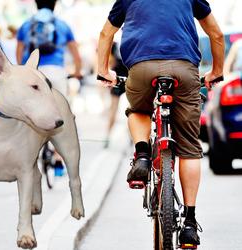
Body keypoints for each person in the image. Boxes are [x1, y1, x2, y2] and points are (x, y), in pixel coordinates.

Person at [97, 0, 224, 247]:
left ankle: (143, 154)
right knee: (189, 148)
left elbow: (106, 34)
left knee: (138, 109)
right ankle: (189, 223)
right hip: (184, 69)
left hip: (141, 68)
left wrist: (104, 71)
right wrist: (216, 71)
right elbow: (216, 33)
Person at [16, 0, 82, 97]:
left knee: (33, 109)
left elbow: (19, 52)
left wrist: (23, 70)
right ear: (54, 4)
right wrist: (77, 72)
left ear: (36, 4)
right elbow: (76, 54)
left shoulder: (26, 24)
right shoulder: (62, 25)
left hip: (33, 73)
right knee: (60, 109)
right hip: (56, 72)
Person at [104, 41, 128, 148]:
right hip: (130, 76)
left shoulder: (114, 43)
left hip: (117, 77)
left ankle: (107, 136)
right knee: (133, 109)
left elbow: (111, 61)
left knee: (113, 109)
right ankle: (132, 139)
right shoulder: (131, 39)